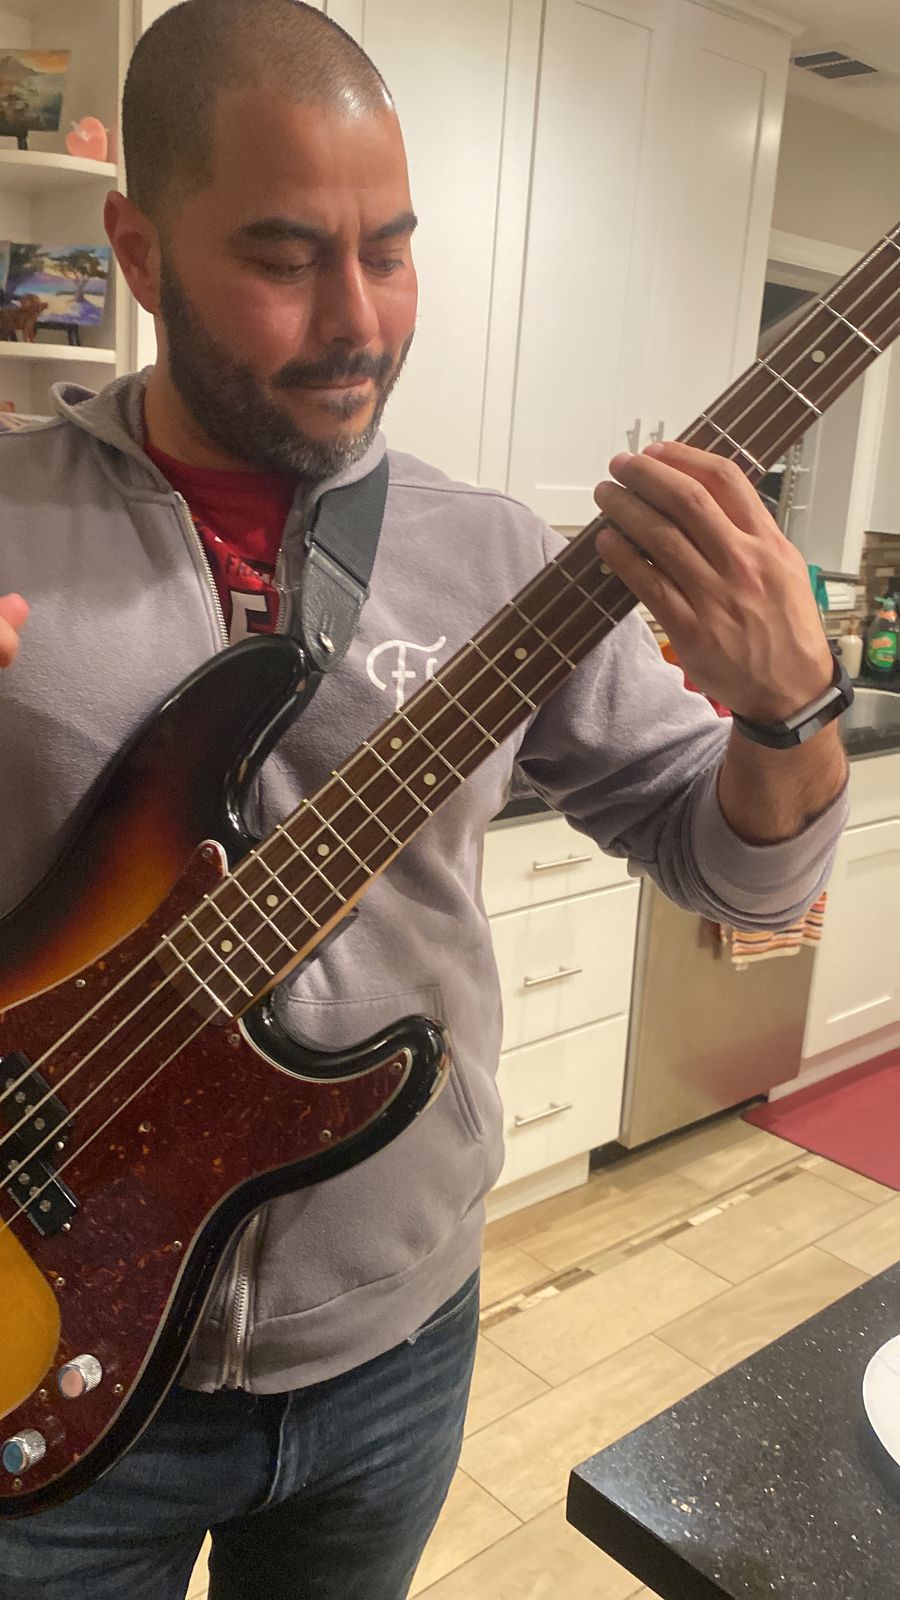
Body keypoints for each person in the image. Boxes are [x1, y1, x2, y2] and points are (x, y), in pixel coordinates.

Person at [0, 1, 849, 1595]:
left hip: (390, 1351)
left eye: (389, 252)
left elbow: (742, 881)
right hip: (33, 1304)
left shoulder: (499, 555)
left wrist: (786, 713)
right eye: (282, 258)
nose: (359, 321)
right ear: (137, 251)